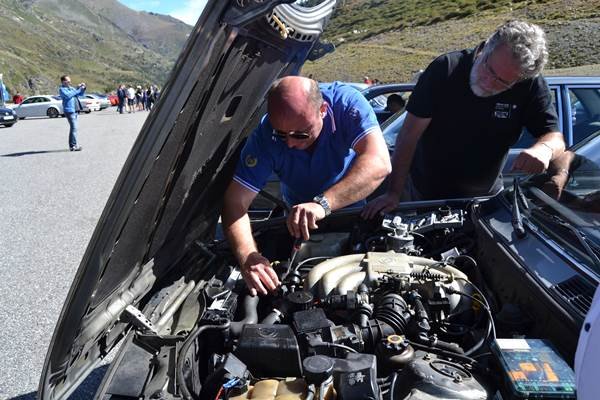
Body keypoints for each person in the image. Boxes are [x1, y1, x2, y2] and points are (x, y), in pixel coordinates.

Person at [362, 20, 565, 219]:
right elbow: (408, 134)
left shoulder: (530, 85)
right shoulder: (446, 69)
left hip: (485, 198)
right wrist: (394, 193)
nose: (489, 83)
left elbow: (555, 138)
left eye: (503, 82)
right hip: (428, 196)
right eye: (489, 69)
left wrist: (544, 149)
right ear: (485, 48)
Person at [222, 76, 391, 296]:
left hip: (350, 211)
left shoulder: (346, 104)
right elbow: (235, 201)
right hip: (296, 219)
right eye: (281, 134)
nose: (291, 143)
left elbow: (379, 162)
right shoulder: (265, 136)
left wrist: (322, 204)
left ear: (323, 110)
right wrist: (248, 257)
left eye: (301, 134)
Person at [58, 75, 85, 151]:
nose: (70, 81)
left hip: (75, 110)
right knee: (74, 128)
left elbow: (80, 94)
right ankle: (73, 146)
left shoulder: (72, 88)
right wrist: (78, 89)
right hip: (69, 111)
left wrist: (82, 88)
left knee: (74, 128)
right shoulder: (62, 89)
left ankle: (72, 146)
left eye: (69, 80)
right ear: (63, 81)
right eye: (68, 80)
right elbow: (68, 95)